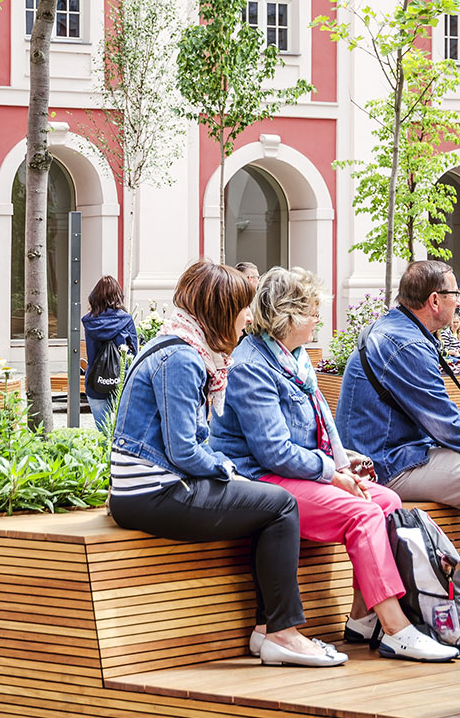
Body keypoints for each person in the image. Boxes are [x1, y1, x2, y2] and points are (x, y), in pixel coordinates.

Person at [211, 266, 459, 663]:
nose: (318, 320)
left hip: (299, 471)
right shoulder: (251, 366)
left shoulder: (294, 356)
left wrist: (345, 463)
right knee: (362, 514)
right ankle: (397, 630)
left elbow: (321, 419)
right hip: (264, 478)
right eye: (312, 311)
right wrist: (333, 475)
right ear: (288, 317)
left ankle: (362, 618)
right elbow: (273, 452)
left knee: (387, 502)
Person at [109, 259, 346, 668]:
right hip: (156, 493)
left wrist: (224, 469)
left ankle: (265, 630)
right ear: (221, 309)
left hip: (144, 490)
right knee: (280, 505)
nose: (248, 317)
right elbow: (184, 451)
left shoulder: (175, 343)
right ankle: (283, 634)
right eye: (242, 306)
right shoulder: (183, 358)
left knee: (263, 503)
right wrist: (227, 469)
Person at [335, 260, 460, 548]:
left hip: (379, 455)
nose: (459, 303)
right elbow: (443, 423)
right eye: (456, 294)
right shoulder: (406, 344)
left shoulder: (393, 328)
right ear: (435, 300)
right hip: (387, 464)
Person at [82, 276, 139, 431]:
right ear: (118, 296)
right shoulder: (126, 320)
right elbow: (134, 351)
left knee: (103, 434)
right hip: (121, 382)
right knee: (122, 433)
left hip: (95, 382)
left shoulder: (88, 321)